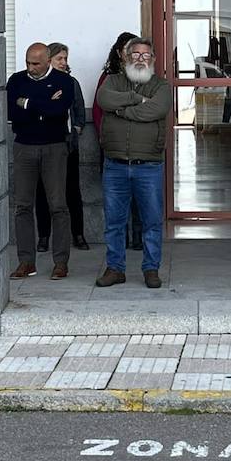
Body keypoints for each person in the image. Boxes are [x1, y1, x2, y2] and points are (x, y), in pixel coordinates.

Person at [95, 37, 169, 288]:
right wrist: (135, 99)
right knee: (114, 222)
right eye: (135, 54)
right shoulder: (111, 81)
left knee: (151, 221)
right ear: (126, 58)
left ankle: (151, 269)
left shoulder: (162, 86)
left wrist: (121, 109)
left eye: (145, 55)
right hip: (115, 164)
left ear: (153, 60)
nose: (140, 58)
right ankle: (115, 269)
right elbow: (104, 100)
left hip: (148, 166)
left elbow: (155, 111)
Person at [8, 42, 75, 279]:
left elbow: (59, 111)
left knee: (58, 205)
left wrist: (27, 103)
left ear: (48, 61)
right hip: (24, 146)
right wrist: (43, 104)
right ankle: (26, 262)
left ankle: (61, 262)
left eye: (35, 63)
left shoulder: (64, 81)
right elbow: (12, 112)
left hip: (54, 147)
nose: (30, 67)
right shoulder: (16, 81)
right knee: (23, 206)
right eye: (27, 62)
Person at [36, 42, 90, 253]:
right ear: (48, 60)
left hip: (67, 146)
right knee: (42, 192)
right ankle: (43, 236)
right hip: (42, 145)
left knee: (72, 192)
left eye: (65, 58)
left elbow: (79, 108)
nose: (64, 62)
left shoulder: (71, 82)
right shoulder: (38, 83)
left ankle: (78, 234)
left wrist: (76, 128)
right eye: (60, 58)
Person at [94, 31, 143, 251]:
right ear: (118, 53)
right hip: (115, 146)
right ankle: (120, 240)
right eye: (127, 50)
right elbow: (99, 111)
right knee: (117, 198)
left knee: (141, 195)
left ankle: (138, 238)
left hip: (141, 146)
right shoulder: (108, 78)